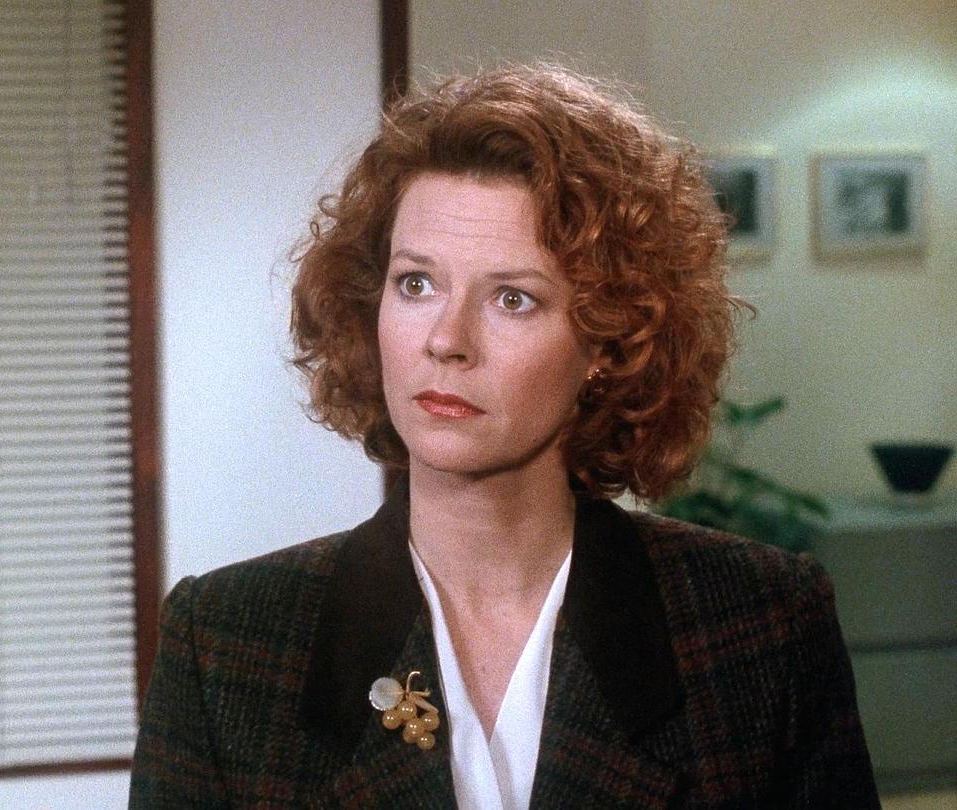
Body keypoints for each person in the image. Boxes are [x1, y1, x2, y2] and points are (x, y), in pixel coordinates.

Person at [129, 65, 879, 808]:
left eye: (513, 299)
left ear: (609, 341)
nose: (447, 340)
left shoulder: (760, 626)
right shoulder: (224, 644)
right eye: (416, 283)